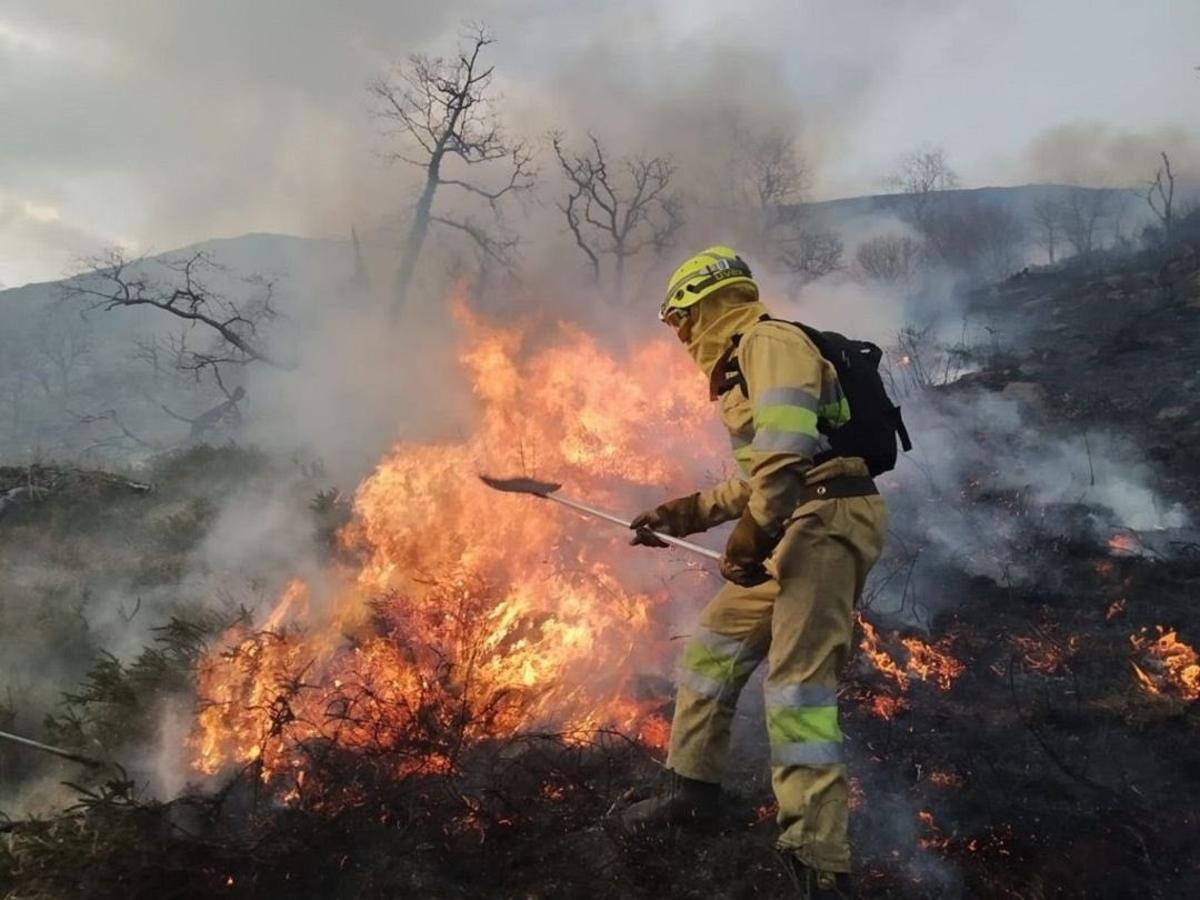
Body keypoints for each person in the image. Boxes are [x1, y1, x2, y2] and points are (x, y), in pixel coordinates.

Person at [617, 246, 888, 898]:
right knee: (712, 649)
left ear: (707, 304)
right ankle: (691, 790)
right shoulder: (746, 363)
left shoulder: (768, 343)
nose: (683, 338)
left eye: (683, 322)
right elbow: (763, 478)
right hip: (798, 522)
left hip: (823, 525)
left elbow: (787, 460)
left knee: (798, 693)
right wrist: (682, 514)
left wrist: (750, 536)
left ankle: (817, 863)